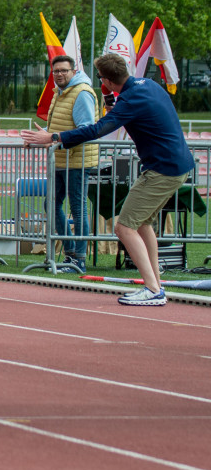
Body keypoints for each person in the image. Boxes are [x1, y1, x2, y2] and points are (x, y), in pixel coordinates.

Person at [22, 53, 194, 307]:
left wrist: (54, 137)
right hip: (174, 164)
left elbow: (96, 130)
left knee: (123, 227)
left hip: (162, 169)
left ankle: (153, 290)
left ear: (106, 81)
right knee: (142, 223)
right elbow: (142, 113)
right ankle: (156, 284)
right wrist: (117, 107)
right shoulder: (148, 85)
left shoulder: (130, 99)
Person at [45, 54, 98, 273]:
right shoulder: (59, 93)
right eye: (56, 71)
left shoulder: (82, 93)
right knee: (51, 204)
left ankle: (79, 259)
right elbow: (58, 127)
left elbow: (86, 129)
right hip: (60, 158)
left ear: (73, 71)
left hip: (77, 159)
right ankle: (69, 254)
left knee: (78, 209)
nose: (59, 74)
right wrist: (45, 137)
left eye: (63, 71)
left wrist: (54, 138)